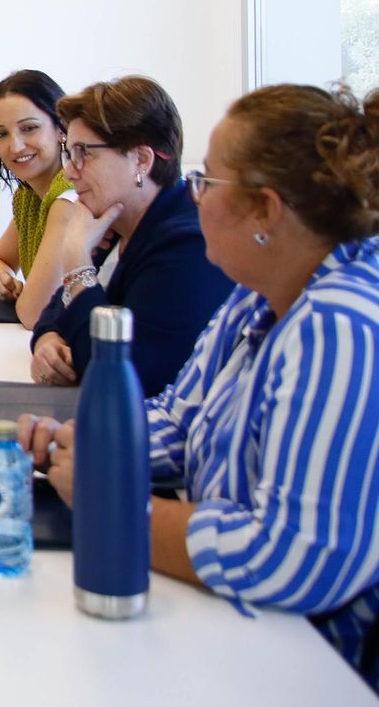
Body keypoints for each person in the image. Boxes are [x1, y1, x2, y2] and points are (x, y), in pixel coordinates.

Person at [20, 84, 379, 689]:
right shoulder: (257, 294)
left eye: (207, 182)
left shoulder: (337, 327)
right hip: (234, 630)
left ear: (265, 210)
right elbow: (182, 421)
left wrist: (113, 506)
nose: (193, 196)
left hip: (303, 669)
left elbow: (292, 559)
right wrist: (84, 443)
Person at [28, 76, 233, 397]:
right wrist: (47, 340)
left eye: (85, 153)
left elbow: (129, 374)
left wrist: (76, 262)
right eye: (70, 153)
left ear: (141, 159)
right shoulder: (113, 222)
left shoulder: (189, 246)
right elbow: (55, 313)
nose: (69, 170)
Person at [0, 69, 78, 328]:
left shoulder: (70, 195)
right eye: (1, 134)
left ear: (61, 128)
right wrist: (1, 280)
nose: (15, 146)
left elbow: (34, 313)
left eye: (29, 128)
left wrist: (23, 297)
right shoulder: (29, 196)